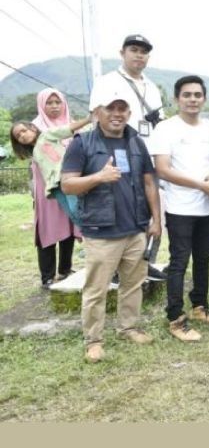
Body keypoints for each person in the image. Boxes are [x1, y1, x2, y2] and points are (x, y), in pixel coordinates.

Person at [60, 90, 161, 363]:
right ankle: (93, 340)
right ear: (97, 113)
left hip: (136, 228)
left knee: (133, 283)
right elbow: (67, 184)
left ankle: (129, 327)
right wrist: (99, 176)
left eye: (122, 109)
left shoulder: (136, 141)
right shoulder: (82, 143)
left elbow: (149, 182)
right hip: (101, 230)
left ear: (129, 113)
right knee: (96, 289)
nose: (117, 114)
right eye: (111, 109)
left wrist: (157, 220)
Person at [150, 76, 209, 342]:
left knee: (203, 259)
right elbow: (163, 169)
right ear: (176, 99)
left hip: (207, 207)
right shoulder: (166, 129)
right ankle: (175, 318)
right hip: (180, 208)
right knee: (179, 262)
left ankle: (200, 307)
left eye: (197, 95)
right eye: (187, 95)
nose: (192, 99)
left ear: (204, 98)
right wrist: (200, 185)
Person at [89, 34, 166, 274]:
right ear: (122, 53)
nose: (139, 55)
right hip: (119, 149)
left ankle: (144, 260)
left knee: (149, 205)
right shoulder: (107, 81)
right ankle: (112, 268)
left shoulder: (151, 86)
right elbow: (95, 116)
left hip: (148, 152)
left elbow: (159, 122)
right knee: (120, 203)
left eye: (143, 51)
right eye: (134, 49)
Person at [18, 88, 81, 288]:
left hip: (70, 183)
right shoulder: (34, 127)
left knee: (69, 225)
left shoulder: (71, 124)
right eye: (49, 103)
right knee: (47, 228)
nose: (54, 107)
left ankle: (65, 269)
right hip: (48, 188)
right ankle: (47, 275)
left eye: (57, 102)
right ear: (41, 104)